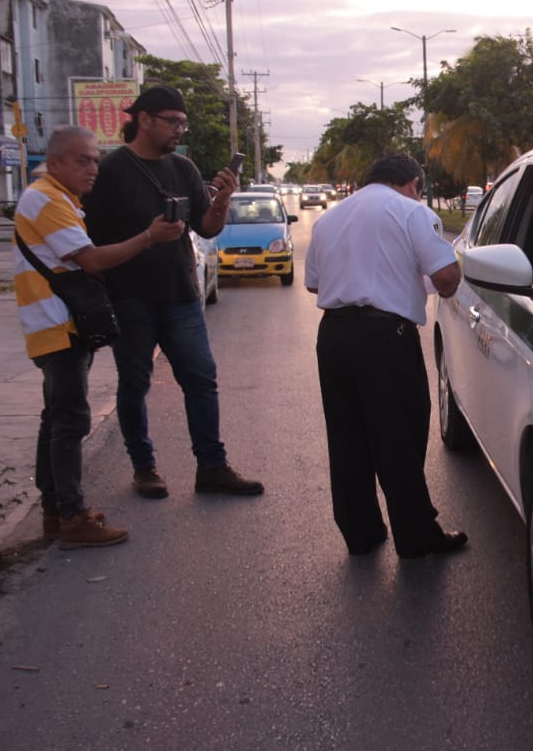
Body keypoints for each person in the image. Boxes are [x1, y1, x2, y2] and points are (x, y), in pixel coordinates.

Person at [83, 85, 264, 499]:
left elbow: (208, 227)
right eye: (173, 122)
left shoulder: (183, 168)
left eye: (184, 123)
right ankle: (144, 468)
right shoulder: (111, 172)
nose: (180, 130)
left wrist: (223, 200)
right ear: (144, 119)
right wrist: (146, 238)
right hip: (129, 297)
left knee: (201, 379)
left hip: (181, 293)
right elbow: (89, 243)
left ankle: (212, 467)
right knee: (134, 383)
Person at [13, 126, 185, 548]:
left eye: (94, 159)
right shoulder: (47, 200)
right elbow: (90, 261)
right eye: (82, 161)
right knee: (70, 421)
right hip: (58, 326)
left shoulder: (61, 199)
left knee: (55, 418)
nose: (93, 168)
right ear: (54, 165)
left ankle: (56, 512)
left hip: (57, 324)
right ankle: (72, 518)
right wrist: (148, 237)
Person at [304, 154, 466, 559]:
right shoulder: (412, 212)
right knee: (399, 437)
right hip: (385, 337)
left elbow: (313, 284)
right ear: (413, 182)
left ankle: (361, 534)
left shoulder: (330, 219)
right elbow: (445, 278)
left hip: (334, 336)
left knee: (347, 436)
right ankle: (415, 537)